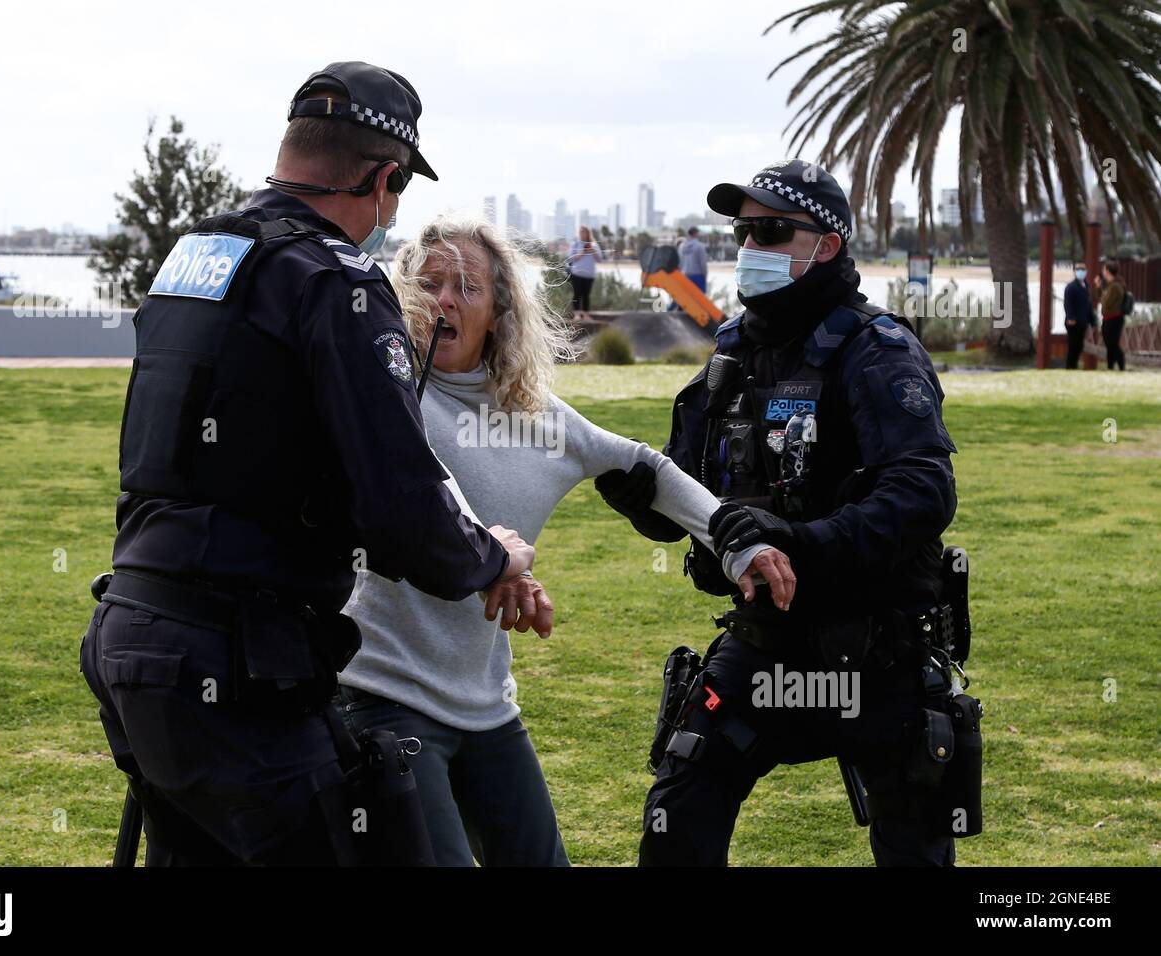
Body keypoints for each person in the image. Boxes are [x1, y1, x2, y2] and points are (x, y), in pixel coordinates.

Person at [79, 62, 542, 866]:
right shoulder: (341, 284)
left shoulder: (195, 257)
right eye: (396, 194)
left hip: (135, 640)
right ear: (382, 176)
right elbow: (400, 501)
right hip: (240, 665)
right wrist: (492, 554)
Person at [335, 215, 740, 866]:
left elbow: (645, 467)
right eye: (428, 283)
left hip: (486, 704)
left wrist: (739, 543)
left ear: (497, 311)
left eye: (466, 286)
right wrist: (498, 562)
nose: (443, 299)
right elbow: (426, 480)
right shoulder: (383, 396)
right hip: (381, 696)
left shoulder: (537, 415)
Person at [596, 160, 968, 867]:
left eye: (769, 231)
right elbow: (686, 492)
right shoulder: (735, 354)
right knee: (678, 814)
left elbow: (924, 492)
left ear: (825, 245)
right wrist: (637, 500)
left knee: (915, 843)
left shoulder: (876, 351)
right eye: (743, 231)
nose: (749, 247)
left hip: (876, 653)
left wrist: (798, 540)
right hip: (764, 646)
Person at [566, 225, 604, 317]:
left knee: (586, 295)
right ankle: (577, 315)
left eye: (584, 232)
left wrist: (593, 251)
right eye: (581, 232)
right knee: (577, 294)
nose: (582, 234)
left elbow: (600, 260)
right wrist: (582, 252)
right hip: (577, 274)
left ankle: (586, 315)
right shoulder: (575, 244)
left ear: (588, 233)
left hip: (589, 275)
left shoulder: (594, 245)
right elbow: (570, 259)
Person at [1063, 261, 1095, 369]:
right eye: (1078, 269)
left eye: (1083, 269)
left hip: (1083, 321)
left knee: (1079, 345)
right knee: (1073, 346)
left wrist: (1092, 320)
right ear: (1074, 271)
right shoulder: (1071, 287)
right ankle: (1070, 366)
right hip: (1073, 322)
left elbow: (1088, 305)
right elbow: (1068, 304)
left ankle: (1074, 365)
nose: (1081, 271)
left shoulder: (1086, 286)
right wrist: (1070, 317)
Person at [1098, 261, 1128, 371]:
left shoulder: (1115, 286)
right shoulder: (1110, 286)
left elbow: (1106, 303)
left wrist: (1103, 295)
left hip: (1114, 319)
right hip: (1107, 319)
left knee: (1113, 344)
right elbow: (1100, 298)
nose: (1103, 272)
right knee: (1109, 345)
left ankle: (1121, 365)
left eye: (1104, 270)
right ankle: (1110, 366)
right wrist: (1099, 287)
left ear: (1108, 271)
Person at [679, 226, 709, 293]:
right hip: (698, 276)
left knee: (686, 298)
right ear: (696, 233)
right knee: (700, 300)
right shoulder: (699, 246)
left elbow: (680, 262)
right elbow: (703, 263)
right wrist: (705, 275)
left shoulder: (682, 246)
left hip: (685, 275)